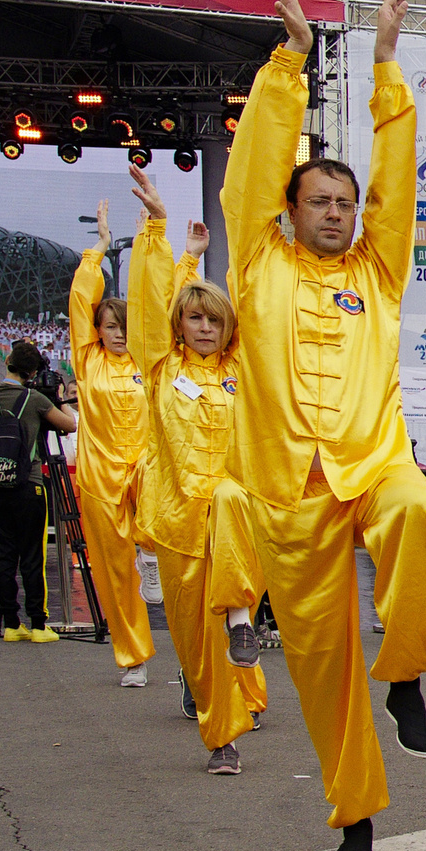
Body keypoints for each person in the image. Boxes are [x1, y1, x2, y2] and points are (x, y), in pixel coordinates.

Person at [225, 0, 426, 851]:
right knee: (320, 669)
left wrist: (386, 62)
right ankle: (353, 817)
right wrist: (290, 60)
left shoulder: (377, 273)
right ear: (290, 208)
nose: (337, 213)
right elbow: (249, 171)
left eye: (346, 204)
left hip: (371, 464)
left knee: (419, 513)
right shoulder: (256, 265)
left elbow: (398, 179)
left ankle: (405, 671)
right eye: (320, 201)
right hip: (288, 492)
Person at [126, 170, 272, 770]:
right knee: (194, 642)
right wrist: (162, 233)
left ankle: (243, 622)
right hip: (179, 519)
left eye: (215, 320)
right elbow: (146, 303)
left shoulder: (244, 369)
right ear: (179, 328)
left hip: (234, 514)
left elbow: (262, 306)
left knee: (235, 498)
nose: (206, 328)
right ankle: (221, 738)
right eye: (195, 320)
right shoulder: (161, 368)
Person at [68, 204, 156, 685]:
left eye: (125, 326)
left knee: (164, 547)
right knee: (115, 572)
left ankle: (151, 550)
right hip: (101, 478)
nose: (119, 334)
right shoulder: (88, 362)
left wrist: (147, 244)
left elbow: (157, 297)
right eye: (110, 327)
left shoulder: (150, 358)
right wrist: (99, 248)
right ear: (97, 331)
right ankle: (133, 657)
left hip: (147, 472)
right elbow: (80, 300)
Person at [0, 340, 77, 639]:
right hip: (28, 485)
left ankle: (10, 623)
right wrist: (56, 397)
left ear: (7, 361)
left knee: (1, 556)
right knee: (32, 556)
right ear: (33, 372)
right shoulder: (34, 399)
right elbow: (69, 424)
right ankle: (37, 624)